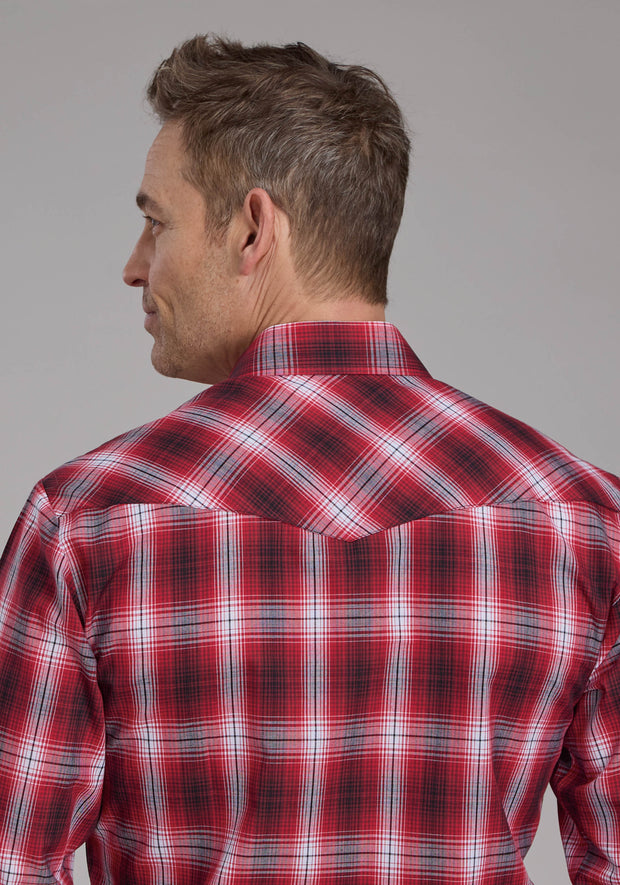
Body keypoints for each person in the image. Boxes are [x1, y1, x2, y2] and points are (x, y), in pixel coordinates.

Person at [0, 33, 618, 885]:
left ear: (254, 229)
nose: (135, 267)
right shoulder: (586, 522)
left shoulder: (87, 521)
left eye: (156, 221)